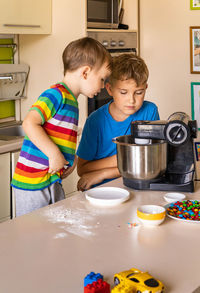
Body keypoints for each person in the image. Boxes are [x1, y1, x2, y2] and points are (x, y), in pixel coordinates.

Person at [11, 37, 112, 216]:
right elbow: (29, 123)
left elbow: (60, 136)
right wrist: (54, 155)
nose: (103, 86)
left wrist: (68, 161)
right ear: (86, 72)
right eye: (102, 79)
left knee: (53, 230)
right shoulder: (56, 94)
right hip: (32, 183)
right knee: (33, 234)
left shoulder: (71, 100)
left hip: (50, 179)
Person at [77, 53, 160, 191]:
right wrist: (133, 157)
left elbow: (150, 163)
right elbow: (82, 169)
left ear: (145, 88)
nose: (131, 100)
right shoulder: (95, 121)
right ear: (109, 89)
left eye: (138, 93)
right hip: (101, 191)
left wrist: (103, 173)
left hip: (138, 187)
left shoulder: (149, 111)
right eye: (123, 92)